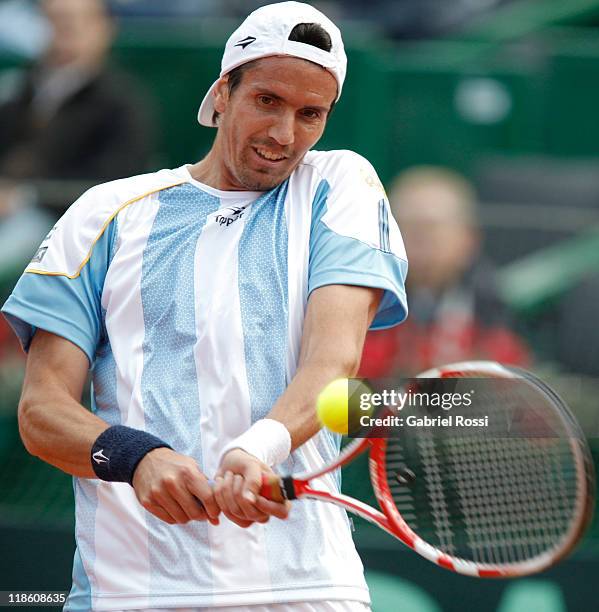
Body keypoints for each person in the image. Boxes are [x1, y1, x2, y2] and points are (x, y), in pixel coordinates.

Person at [2, 3, 408, 611]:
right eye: (266, 100)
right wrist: (135, 458)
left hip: (305, 592)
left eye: (310, 114)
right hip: (127, 593)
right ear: (222, 93)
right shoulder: (104, 212)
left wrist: (259, 449)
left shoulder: (339, 184)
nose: (284, 135)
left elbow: (334, 363)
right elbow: (42, 413)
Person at [360, 166, 529, 379]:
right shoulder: (361, 318)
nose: (419, 240)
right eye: (408, 226)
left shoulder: (493, 322)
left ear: (469, 238)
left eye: (432, 228)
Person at [0, 0, 155, 215]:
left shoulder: (121, 100)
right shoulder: (21, 86)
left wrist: (29, 195)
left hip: (69, 217)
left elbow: (117, 176)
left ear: (104, 27)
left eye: (75, 20)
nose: (64, 30)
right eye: (54, 20)